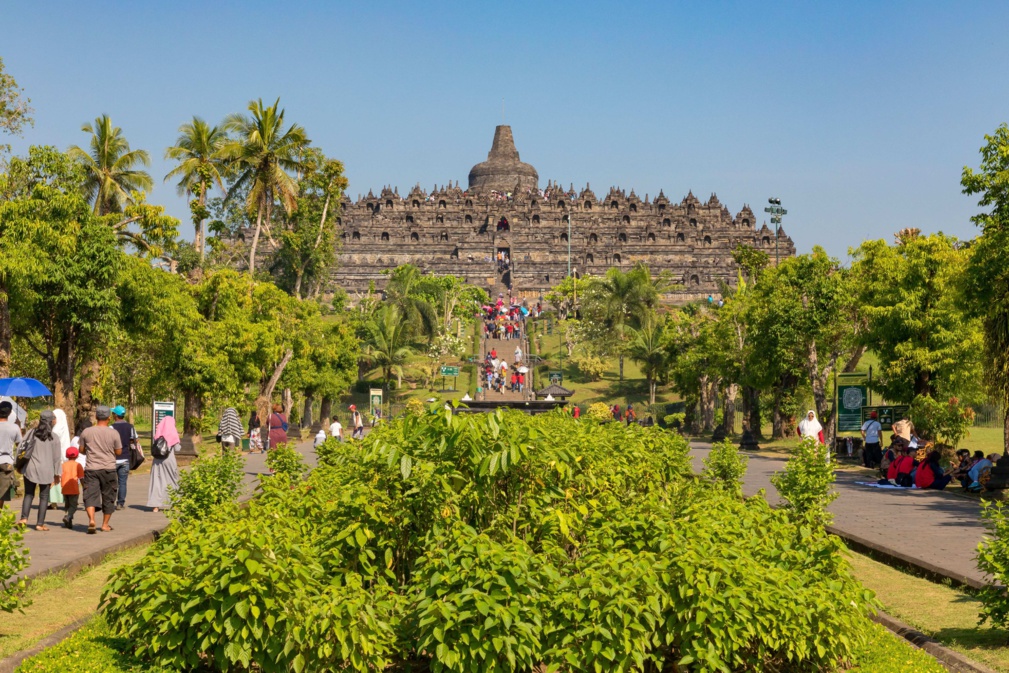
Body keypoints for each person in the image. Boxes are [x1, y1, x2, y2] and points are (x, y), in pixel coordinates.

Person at [80, 405, 122, 534]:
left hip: (92, 468)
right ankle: (105, 524)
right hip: (109, 469)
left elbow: (81, 450)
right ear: (109, 418)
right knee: (109, 496)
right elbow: (119, 452)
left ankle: (92, 520)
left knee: (90, 495)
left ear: (96, 417)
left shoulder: (86, 432)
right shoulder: (114, 433)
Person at [17, 411, 62, 531]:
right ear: (51, 421)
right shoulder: (54, 437)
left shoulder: (31, 433)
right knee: (44, 497)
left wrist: (18, 464)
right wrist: (57, 474)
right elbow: (57, 458)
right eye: (54, 419)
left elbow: (21, 447)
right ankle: (40, 524)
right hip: (47, 471)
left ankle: (23, 519)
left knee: (29, 494)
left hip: (30, 468)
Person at [148, 415, 181, 513]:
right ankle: (174, 503)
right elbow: (177, 449)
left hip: (157, 461)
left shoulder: (158, 433)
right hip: (169, 460)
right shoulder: (173, 433)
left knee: (156, 481)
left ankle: (155, 506)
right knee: (172, 480)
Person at [110, 406, 138, 511]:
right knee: (122, 482)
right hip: (125, 458)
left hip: (113, 459)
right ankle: (120, 503)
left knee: (112, 482)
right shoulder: (130, 427)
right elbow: (135, 439)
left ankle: (110, 502)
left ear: (115, 416)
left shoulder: (111, 428)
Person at [0, 401, 20, 508]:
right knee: (2, 492)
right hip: (6, 462)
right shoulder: (14, 427)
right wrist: (19, 426)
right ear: (10, 412)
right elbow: (19, 445)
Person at [60, 446, 84, 529]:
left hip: (64, 488)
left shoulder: (63, 465)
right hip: (74, 489)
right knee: (73, 506)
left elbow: (59, 476)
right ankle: (68, 516)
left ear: (67, 455)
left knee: (67, 505)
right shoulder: (78, 465)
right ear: (77, 456)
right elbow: (81, 478)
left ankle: (69, 522)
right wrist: (84, 487)